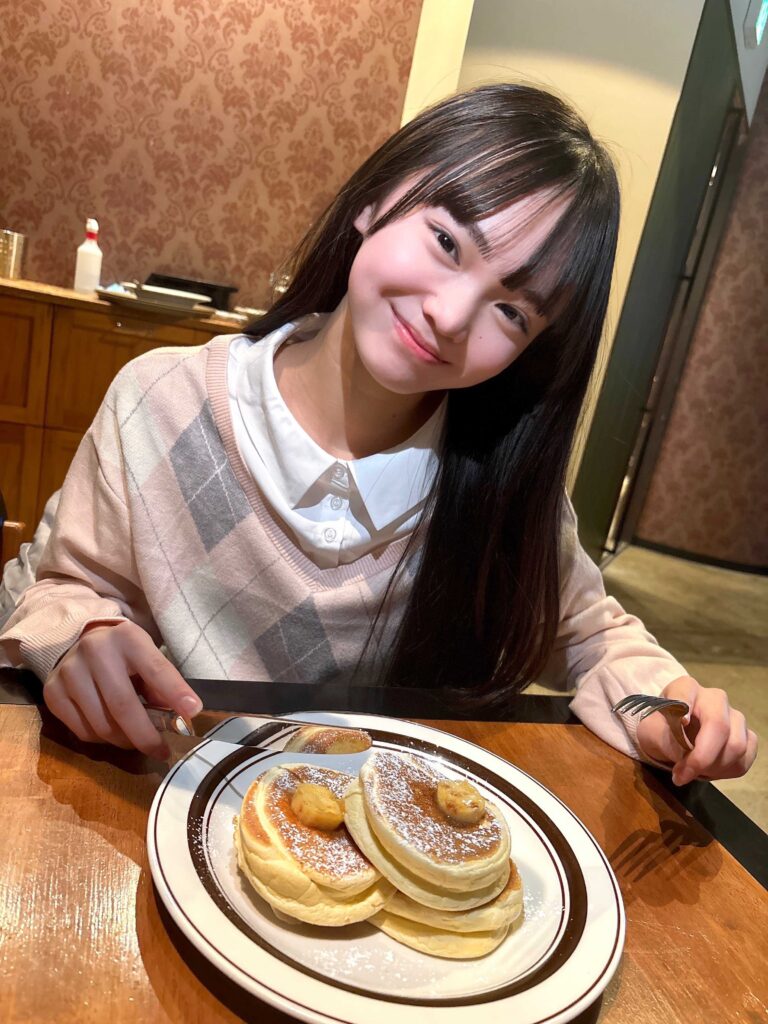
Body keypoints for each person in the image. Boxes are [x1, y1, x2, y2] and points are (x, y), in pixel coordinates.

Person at [0, 84, 756, 783]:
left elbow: (591, 635)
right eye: (448, 243)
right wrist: (80, 636)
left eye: (512, 311)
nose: (450, 316)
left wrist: (670, 707)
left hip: (385, 848)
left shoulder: (503, 485)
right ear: (375, 200)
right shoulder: (161, 399)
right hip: (171, 797)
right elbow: (61, 585)